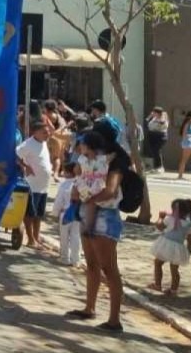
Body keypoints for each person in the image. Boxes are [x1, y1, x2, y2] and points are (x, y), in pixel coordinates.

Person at [66, 130, 128, 333]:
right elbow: (78, 173)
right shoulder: (90, 161)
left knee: (109, 268)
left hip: (105, 215)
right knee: (92, 264)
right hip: (89, 211)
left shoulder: (115, 165)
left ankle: (114, 320)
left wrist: (88, 199)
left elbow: (110, 191)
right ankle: (89, 307)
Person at [16, 121, 53, 249]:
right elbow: (16, 155)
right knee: (30, 213)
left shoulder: (44, 143)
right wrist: (26, 166)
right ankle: (30, 239)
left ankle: (36, 237)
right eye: (44, 132)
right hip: (32, 185)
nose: (47, 134)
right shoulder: (27, 144)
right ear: (35, 132)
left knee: (39, 214)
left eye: (48, 132)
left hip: (44, 186)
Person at [150, 198, 191, 295]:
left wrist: (160, 217)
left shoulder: (169, 219)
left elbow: (159, 226)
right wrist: (188, 252)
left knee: (158, 263)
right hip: (178, 248)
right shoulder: (189, 225)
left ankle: (158, 285)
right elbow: (190, 241)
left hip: (165, 245)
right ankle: (173, 290)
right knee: (174, 269)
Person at [51, 163, 81, 266]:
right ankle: (75, 260)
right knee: (76, 236)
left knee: (64, 236)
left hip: (65, 213)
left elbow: (59, 201)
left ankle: (64, 258)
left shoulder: (64, 185)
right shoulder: (80, 183)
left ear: (68, 173)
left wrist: (55, 213)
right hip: (77, 213)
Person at [145, 106, 169, 173]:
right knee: (154, 151)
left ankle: (160, 167)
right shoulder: (154, 118)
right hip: (152, 136)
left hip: (160, 136)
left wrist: (162, 115)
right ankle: (155, 167)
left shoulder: (163, 118)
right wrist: (150, 116)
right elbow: (146, 121)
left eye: (154, 112)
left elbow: (163, 123)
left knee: (157, 150)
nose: (153, 113)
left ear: (158, 113)